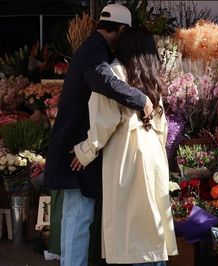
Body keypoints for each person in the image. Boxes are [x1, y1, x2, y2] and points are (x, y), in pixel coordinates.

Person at [44, 3, 153, 266]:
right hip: (76, 151)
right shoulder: (95, 51)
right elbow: (102, 79)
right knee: (79, 219)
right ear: (122, 29)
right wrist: (141, 99)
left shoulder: (92, 47)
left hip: (73, 148)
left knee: (75, 219)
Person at [71, 27, 178, 265]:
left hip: (126, 156)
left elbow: (103, 122)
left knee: (129, 229)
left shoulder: (114, 74)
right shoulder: (153, 81)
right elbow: (163, 128)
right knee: (151, 225)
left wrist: (85, 151)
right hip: (153, 156)